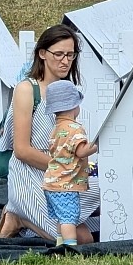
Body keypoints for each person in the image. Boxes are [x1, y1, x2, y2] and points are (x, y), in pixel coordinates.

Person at [0, 25, 101, 242]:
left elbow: (67, 138)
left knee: (106, 192)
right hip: (30, 171)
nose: (65, 61)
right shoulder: (27, 89)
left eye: (70, 55)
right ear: (42, 54)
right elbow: (22, 150)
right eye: (59, 54)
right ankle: (18, 216)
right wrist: (64, 169)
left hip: (61, 169)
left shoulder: (66, 88)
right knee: (77, 238)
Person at [42, 80, 99, 247]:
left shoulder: (56, 128)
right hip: (66, 184)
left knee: (61, 217)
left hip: (52, 183)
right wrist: (96, 145)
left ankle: (61, 245)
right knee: (69, 219)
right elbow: (81, 151)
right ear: (74, 106)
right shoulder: (75, 128)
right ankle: (70, 247)